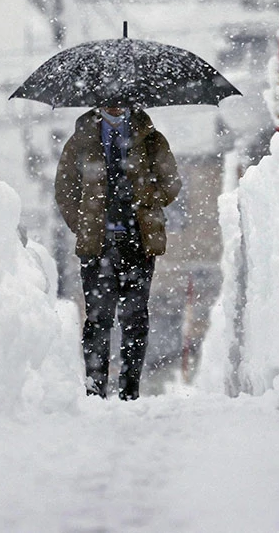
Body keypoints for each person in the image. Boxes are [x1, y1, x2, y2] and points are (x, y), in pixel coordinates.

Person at [55, 105, 181, 400]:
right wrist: (84, 224)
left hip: (138, 242)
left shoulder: (151, 139)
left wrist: (147, 196)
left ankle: (129, 391)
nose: (115, 104)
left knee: (135, 318)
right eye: (108, 98)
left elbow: (171, 184)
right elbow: (65, 190)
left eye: (122, 98)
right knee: (98, 319)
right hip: (97, 246)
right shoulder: (81, 141)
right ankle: (95, 390)